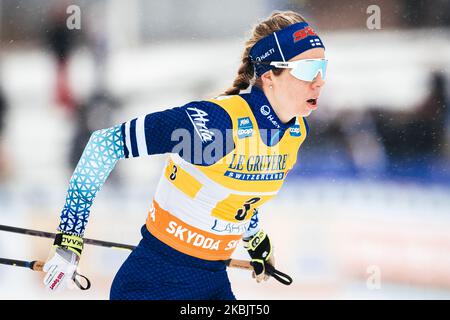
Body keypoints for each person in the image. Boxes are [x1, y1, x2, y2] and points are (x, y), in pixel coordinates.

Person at [42, 10, 327, 300]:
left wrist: (254, 239)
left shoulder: (293, 133)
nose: (319, 81)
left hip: (212, 283)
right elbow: (104, 145)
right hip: (152, 284)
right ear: (269, 75)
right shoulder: (215, 126)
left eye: (323, 68)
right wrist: (69, 239)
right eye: (307, 69)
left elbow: (240, 193)